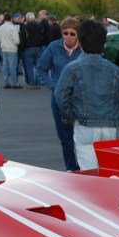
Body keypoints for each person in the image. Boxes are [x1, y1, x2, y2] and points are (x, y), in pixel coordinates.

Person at [54, 19, 119, 171]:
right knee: (107, 171)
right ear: (103, 43)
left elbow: (60, 96)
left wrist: (70, 115)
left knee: (89, 173)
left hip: (84, 124)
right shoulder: (114, 70)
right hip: (109, 126)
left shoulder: (72, 68)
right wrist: (118, 105)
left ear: (81, 43)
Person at [35, 17, 81, 170]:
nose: (68, 37)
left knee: (83, 135)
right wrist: (53, 85)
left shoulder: (84, 49)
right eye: (65, 33)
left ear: (78, 35)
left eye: (72, 34)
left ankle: (85, 167)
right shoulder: (54, 47)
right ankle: (71, 167)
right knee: (65, 137)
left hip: (80, 98)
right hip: (59, 98)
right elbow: (41, 68)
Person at [20, 12, 45, 88]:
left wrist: (22, 48)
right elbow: (43, 36)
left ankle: (32, 83)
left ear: (27, 19)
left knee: (29, 67)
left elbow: (23, 38)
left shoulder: (25, 27)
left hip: (28, 48)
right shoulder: (39, 26)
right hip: (38, 48)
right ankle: (38, 82)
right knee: (38, 66)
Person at [0, 10, 20, 88]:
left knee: (5, 67)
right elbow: (17, 40)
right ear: (11, 19)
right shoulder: (12, 27)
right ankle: (14, 83)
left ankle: (6, 82)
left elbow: (0, 38)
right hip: (12, 49)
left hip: (4, 48)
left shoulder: (1, 27)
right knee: (12, 67)